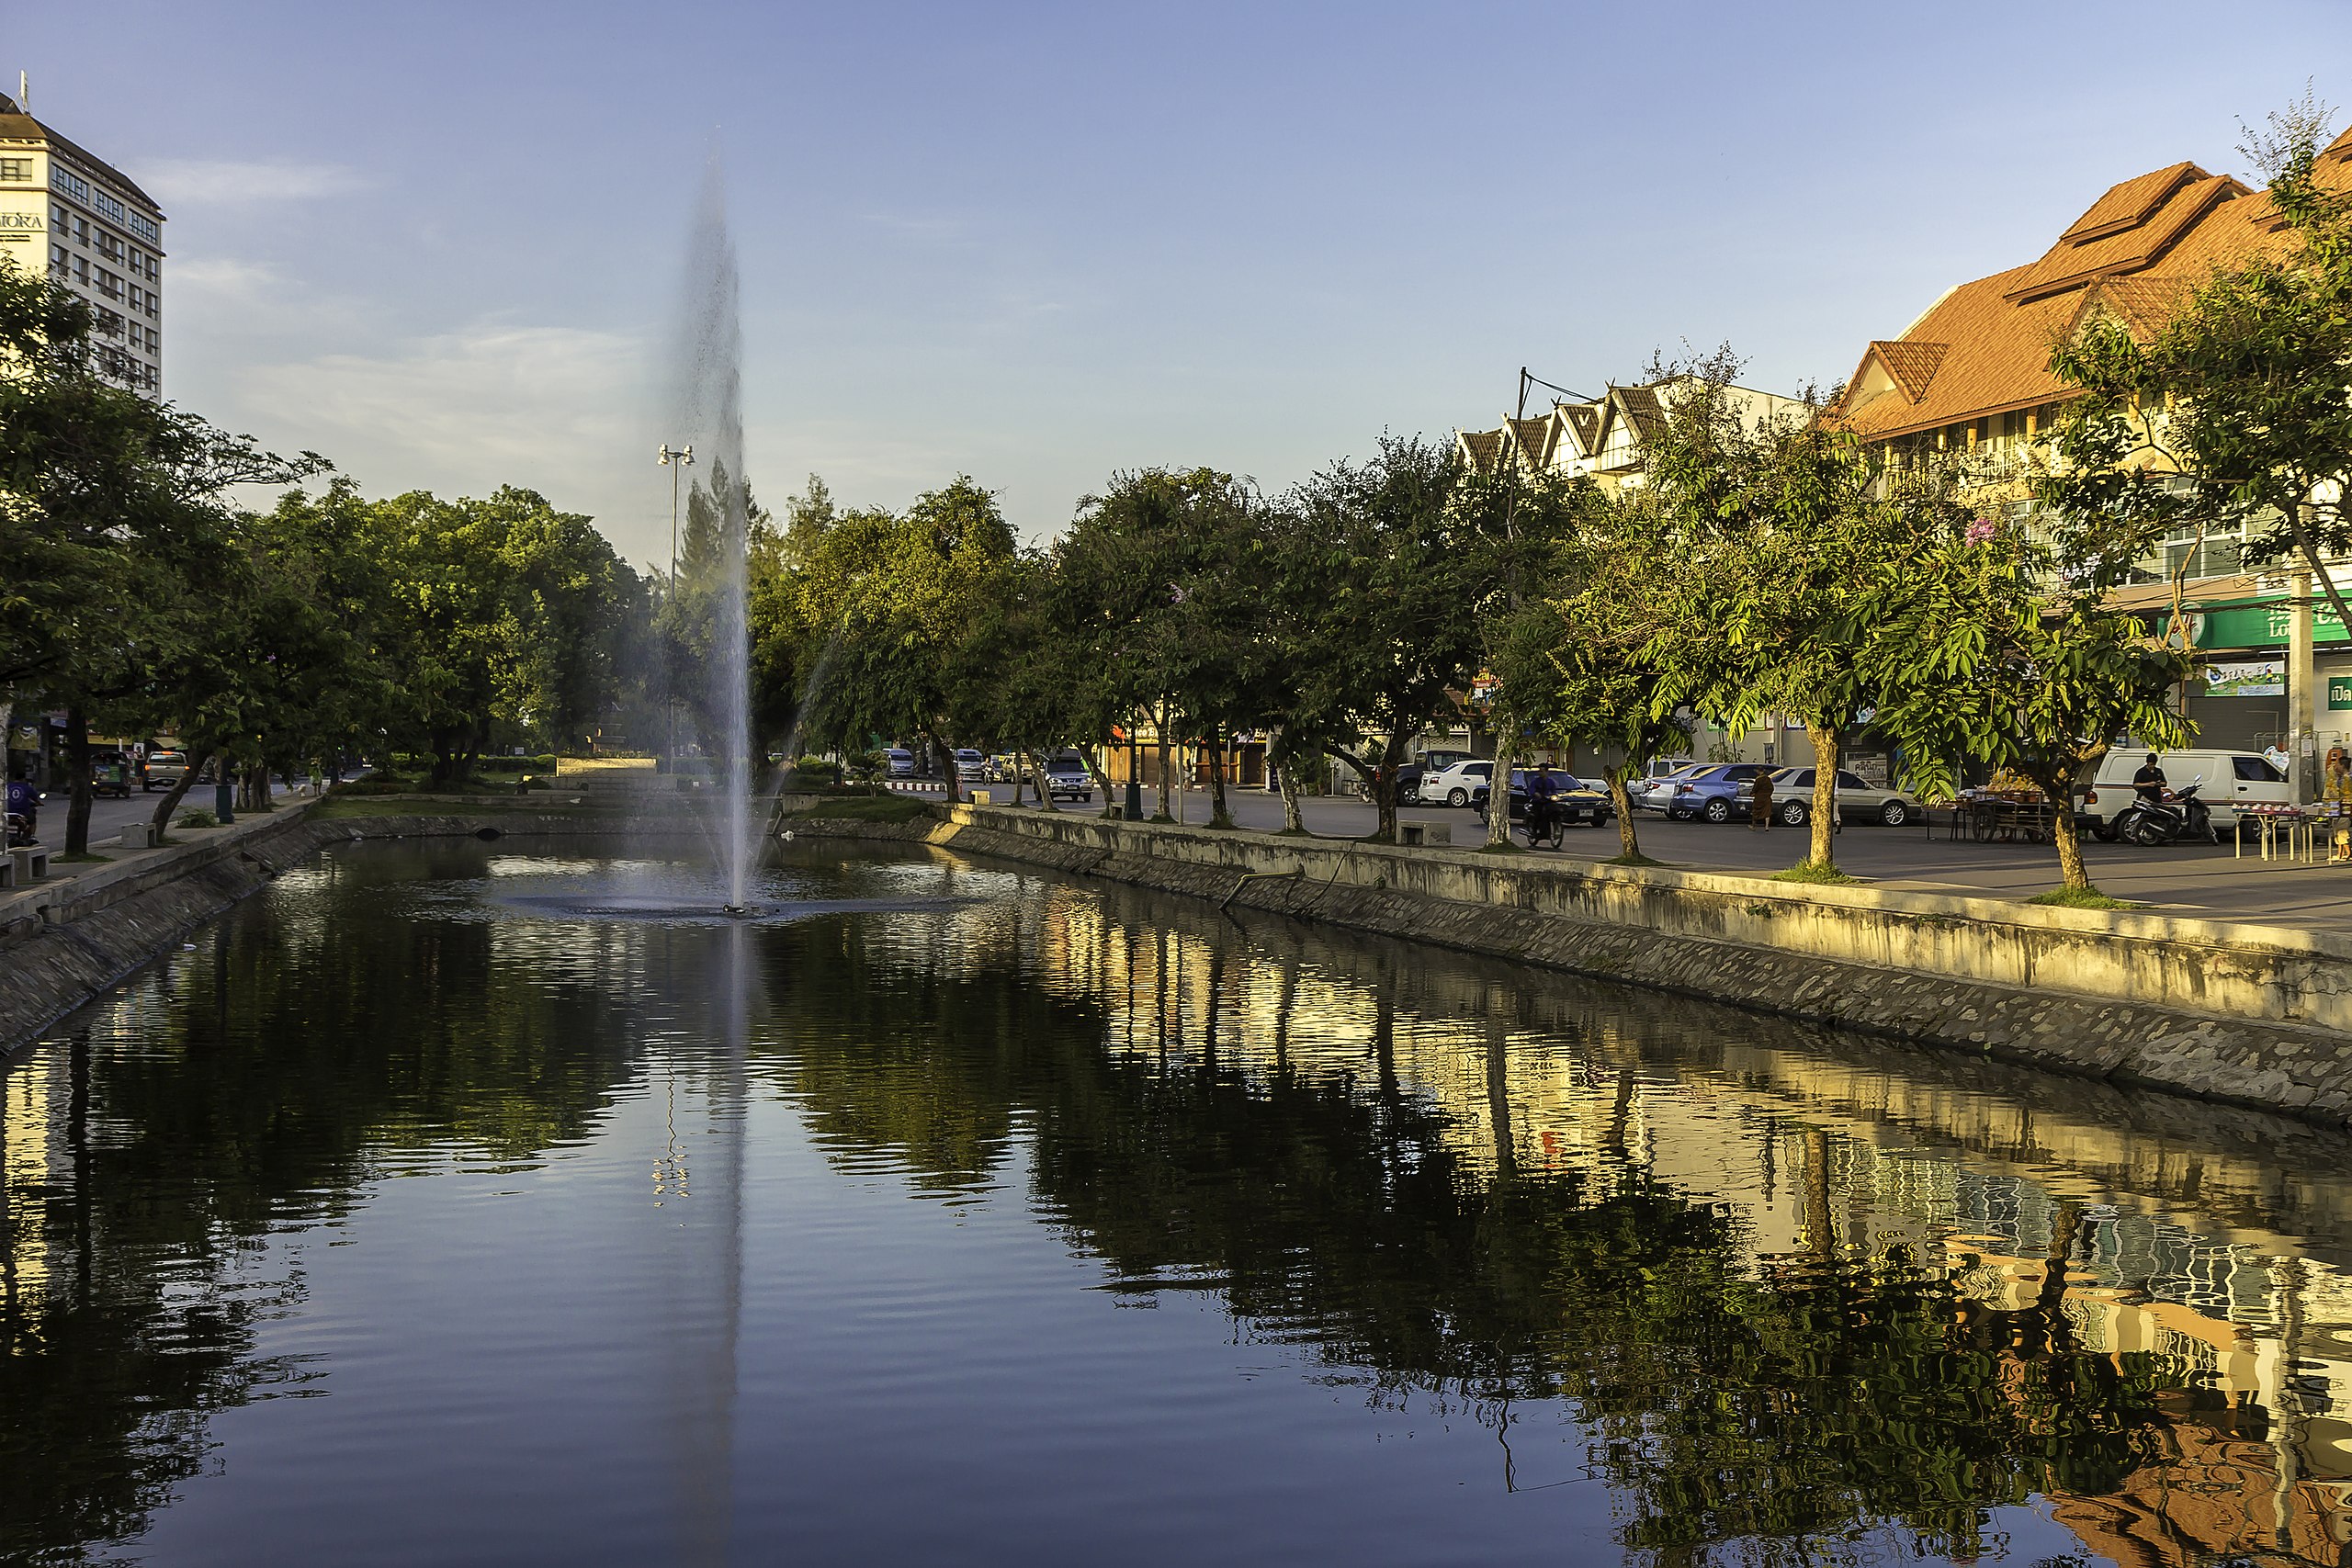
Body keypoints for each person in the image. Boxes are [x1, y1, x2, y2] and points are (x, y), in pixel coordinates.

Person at [2327, 746, 2352, 863]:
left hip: (2346, 807)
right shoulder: (2340, 778)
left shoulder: (2347, 778)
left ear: (2343, 766)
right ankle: (2340, 853)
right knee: (2337, 829)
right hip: (2339, 807)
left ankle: (2347, 852)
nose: (2336, 766)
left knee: (2342, 829)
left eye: (2338, 764)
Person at [1526, 765, 1559, 845]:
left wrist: (1554, 796)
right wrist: (1535, 793)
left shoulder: (1551, 782)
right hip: (1538, 801)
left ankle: (1555, 828)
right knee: (1538, 815)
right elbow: (1532, 790)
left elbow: (1554, 791)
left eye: (1542, 771)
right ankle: (1534, 831)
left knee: (1555, 811)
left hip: (1547, 801)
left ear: (1547, 772)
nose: (1540, 773)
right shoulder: (1536, 781)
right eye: (1540, 771)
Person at [1750, 766, 1775, 831]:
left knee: (1756, 811)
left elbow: (1755, 788)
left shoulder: (1758, 779)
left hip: (1759, 798)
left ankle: (1753, 826)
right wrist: (1768, 794)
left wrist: (1752, 793)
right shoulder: (1768, 779)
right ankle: (1766, 827)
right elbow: (1772, 788)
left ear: (1758, 771)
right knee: (1767, 812)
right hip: (1767, 798)